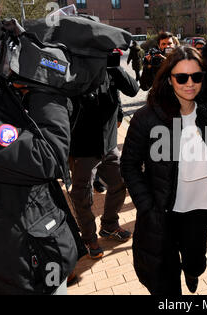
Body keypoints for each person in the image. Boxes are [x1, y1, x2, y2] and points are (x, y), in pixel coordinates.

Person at [0, 1, 86, 294]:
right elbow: (47, 157)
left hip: (38, 250)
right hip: (19, 271)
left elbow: (48, 133)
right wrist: (44, 83)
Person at [120, 46, 207, 295]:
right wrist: (146, 205)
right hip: (163, 212)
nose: (190, 84)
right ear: (169, 79)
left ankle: (192, 271)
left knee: (197, 264)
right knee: (166, 284)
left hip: (200, 210)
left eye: (196, 76)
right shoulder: (148, 117)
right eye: (181, 77)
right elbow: (129, 165)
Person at [69, 59, 139, 259]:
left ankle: (109, 225)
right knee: (82, 195)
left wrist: (114, 65)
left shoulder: (110, 68)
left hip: (108, 145)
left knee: (119, 183)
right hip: (82, 148)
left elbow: (133, 90)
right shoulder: (73, 66)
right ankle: (89, 237)